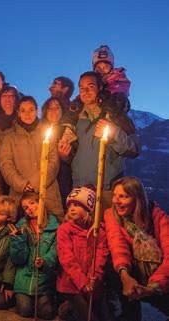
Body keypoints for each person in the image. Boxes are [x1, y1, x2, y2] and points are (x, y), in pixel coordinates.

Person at [64, 72, 140, 210]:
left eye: (90, 87)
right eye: (81, 88)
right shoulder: (75, 118)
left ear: (100, 88)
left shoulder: (115, 115)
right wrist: (63, 153)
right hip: (80, 190)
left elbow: (134, 149)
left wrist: (114, 132)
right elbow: (73, 155)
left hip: (107, 191)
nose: (85, 92)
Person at [104, 176, 169, 320]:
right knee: (112, 267)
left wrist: (154, 286)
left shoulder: (157, 217)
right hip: (133, 273)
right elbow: (117, 245)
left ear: (137, 199)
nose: (115, 201)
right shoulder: (111, 215)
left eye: (123, 196)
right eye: (115, 195)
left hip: (158, 277)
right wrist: (125, 275)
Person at [0, 96, 64, 220]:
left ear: (37, 111)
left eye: (31, 110)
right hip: (20, 194)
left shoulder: (47, 133)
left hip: (47, 190)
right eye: (23, 111)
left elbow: (53, 161)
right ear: (18, 113)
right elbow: (5, 164)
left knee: (51, 228)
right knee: (24, 231)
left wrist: (35, 183)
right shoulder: (9, 137)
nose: (28, 114)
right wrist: (22, 184)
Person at [56, 186, 113, 321]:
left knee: (105, 316)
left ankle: (69, 310)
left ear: (88, 209)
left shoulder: (97, 231)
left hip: (92, 283)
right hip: (71, 284)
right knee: (89, 317)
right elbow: (67, 259)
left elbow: (100, 255)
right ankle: (69, 308)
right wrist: (83, 282)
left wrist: (94, 277)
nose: (72, 208)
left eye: (77, 205)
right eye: (70, 206)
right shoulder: (64, 230)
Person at [10, 191, 59, 320]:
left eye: (32, 203)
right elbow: (18, 259)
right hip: (24, 279)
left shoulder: (55, 227)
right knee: (25, 310)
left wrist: (44, 261)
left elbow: (55, 252)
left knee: (46, 313)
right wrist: (18, 240)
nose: (29, 209)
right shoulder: (22, 227)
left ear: (41, 202)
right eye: (25, 207)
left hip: (44, 280)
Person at [41, 97, 73, 211]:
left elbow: (73, 157)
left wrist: (65, 157)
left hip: (63, 178)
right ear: (45, 111)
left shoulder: (68, 131)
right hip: (44, 177)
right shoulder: (38, 130)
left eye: (57, 108)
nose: (54, 111)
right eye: (50, 108)